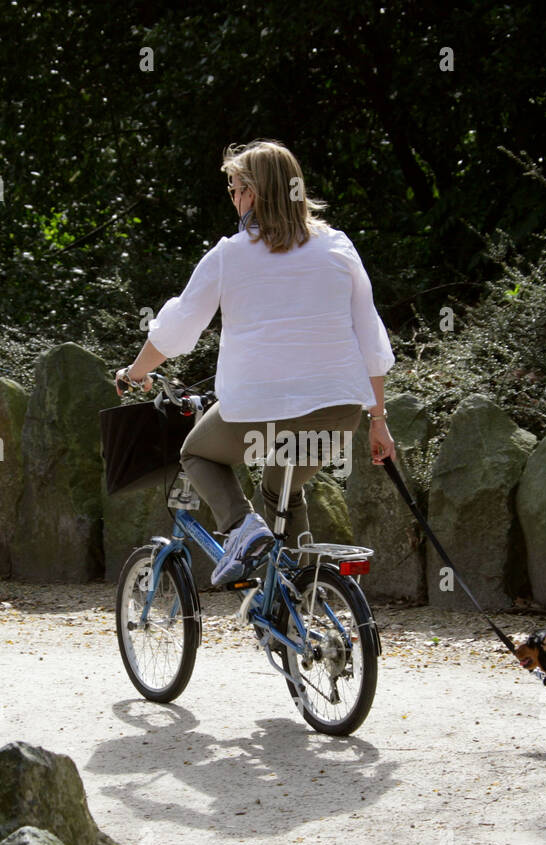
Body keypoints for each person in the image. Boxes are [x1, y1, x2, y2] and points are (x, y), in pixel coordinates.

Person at [115, 139, 396, 585]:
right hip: (338, 412)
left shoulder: (231, 254)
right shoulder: (339, 248)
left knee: (195, 453)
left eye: (234, 189)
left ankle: (242, 530)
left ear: (252, 193)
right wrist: (378, 419)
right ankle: (305, 597)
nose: (233, 199)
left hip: (259, 410)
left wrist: (136, 373)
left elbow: (177, 328)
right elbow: (370, 337)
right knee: (282, 486)